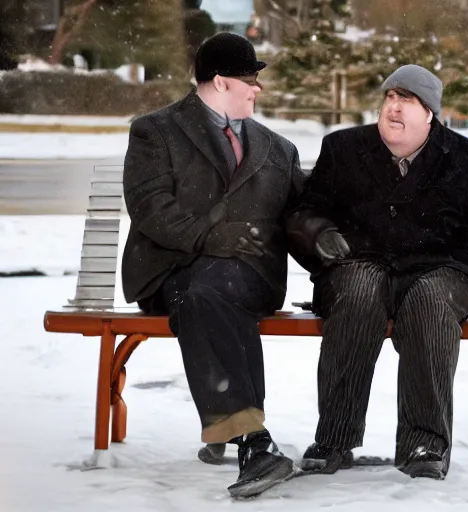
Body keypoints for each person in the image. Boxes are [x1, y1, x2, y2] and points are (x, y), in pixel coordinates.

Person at [286, 64, 468, 480]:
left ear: (430, 115)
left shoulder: (464, 158)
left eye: (409, 101)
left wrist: (460, 272)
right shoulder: (343, 148)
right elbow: (303, 212)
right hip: (359, 263)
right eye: (390, 97)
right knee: (359, 293)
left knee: (430, 303)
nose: (395, 108)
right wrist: (320, 234)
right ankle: (335, 438)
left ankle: (425, 443)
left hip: (441, 272)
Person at [121, 32, 305, 497]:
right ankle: (253, 442)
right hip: (170, 269)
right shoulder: (156, 131)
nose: (257, 89)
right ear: (221, 82)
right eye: (251, 80)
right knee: (203, 293)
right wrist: (208, 234)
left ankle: (239, 431)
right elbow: (149, 205)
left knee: (212, 292)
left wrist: (328, 248)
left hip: (250, 274)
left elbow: (302, 216)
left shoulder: (278, 149)